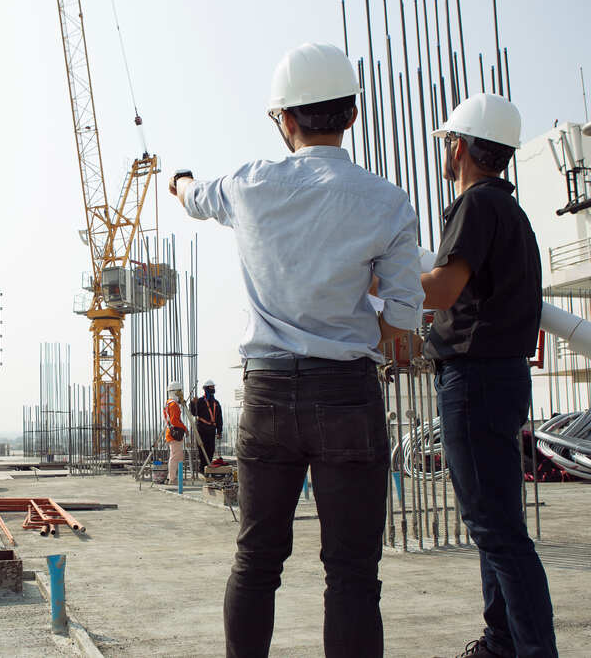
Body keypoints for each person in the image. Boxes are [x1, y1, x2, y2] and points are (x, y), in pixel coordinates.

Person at [171, 43, 424, 658]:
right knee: (353, 574)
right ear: (353, 115)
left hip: (268, 396)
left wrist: (178, 181)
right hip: (347, 395)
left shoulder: (251, 184)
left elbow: (193, 196)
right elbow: (404, 323)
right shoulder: (386, 200)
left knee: (257, 560)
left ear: (285, 119)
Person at [422, 93, 556, 658]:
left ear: (460, 147)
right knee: (493, 524)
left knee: (497, 530)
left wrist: (369, 281)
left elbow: (444, 290)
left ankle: (530, 649)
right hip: (497, 379)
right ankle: (503, 641)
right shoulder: (512, 212)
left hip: (474, 380)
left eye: (448, 145)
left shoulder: (476, 206)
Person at [189, 379, 223, 474]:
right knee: (202, 451)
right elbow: (194, 413)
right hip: (202, 429)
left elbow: (219, 418)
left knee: (210, 450)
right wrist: (192, 403)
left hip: (211, 430)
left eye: (213, 387)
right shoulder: (200, 401)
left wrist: (219, 431)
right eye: (211, 387)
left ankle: (207, 468)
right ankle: (202, 469)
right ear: (206, 389)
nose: (213, 389)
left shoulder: (216, 403)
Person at [163, 380, 187, 485]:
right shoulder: (173, 405)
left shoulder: (168, 403)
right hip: (175, 434)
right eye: (179, 392)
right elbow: (174, 421)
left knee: (176, 456)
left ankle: (173, 477)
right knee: (175, 457)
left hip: (171, 433)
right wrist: (185, 428)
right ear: (176, 392)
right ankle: (172, 479)